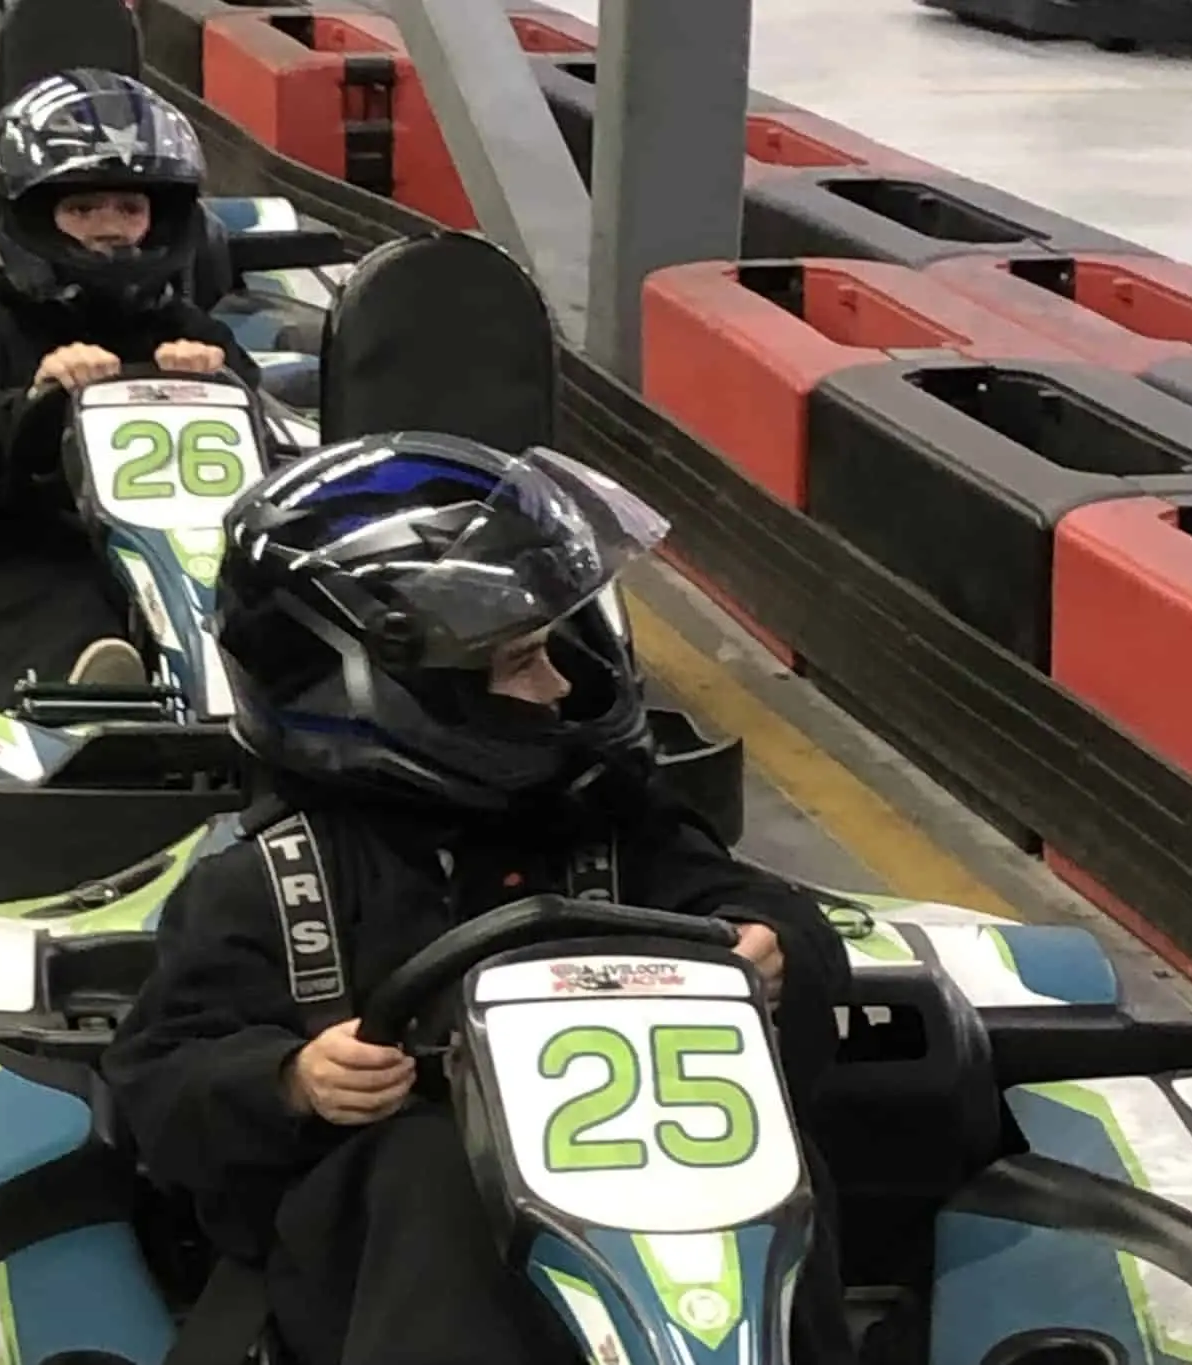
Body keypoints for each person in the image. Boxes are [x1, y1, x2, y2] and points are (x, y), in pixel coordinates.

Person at [102, 433, 858, 1365]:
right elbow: (160, 1075)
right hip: (404, 1256)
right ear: (395, 692)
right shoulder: (274, 880)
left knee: (778, 1160)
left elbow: (755, 905)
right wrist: (292, 1079)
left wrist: (773, 946)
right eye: (523, 662)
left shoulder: (607, 827)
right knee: (431, 1172)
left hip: (651, 1202)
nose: (564, 685)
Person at [0, 68, 261, 712]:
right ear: (28, 219)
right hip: (37, 552)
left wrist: (220, 386)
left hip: (196, 564)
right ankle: (96, 698)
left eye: (129, 209)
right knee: (64, 600)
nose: (110, 228)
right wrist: (36, 403)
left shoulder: (194, 334)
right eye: (83, 209)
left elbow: (269, 471)